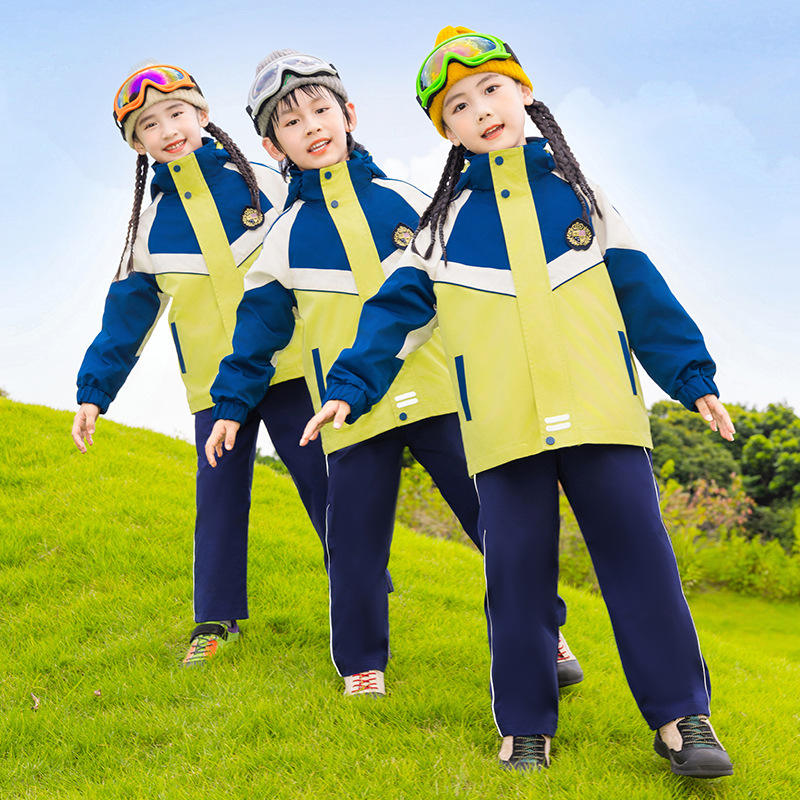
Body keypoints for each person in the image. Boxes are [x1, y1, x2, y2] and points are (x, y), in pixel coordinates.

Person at [301, 27, 735, 778]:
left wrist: (692, 379)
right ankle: (526, 726)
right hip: (502, 434)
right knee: (516, 580)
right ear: (448, 131)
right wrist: (348, 389)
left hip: (603, 416)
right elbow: (391, 319)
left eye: (492, 91)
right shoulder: (435, 230)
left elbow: (645, 298)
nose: (481, 110)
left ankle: (681, 721)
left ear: (524, 93)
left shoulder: (584, 198)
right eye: (459, 106)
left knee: (642, 565)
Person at [206, 50, 582, 697]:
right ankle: (361, 667)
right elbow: (257, 334)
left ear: (348, 113)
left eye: (322, 110)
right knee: (352, 547)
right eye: (294, 123)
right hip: (348, 415)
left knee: (497, 520)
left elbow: (476, 286)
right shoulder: (284, 237)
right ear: (273, 145)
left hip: (440, 394)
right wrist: (232, 405)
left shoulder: (412, 201)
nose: (314, 126)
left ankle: (544, 633)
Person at [71, 64, 329, 667]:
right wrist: (93, 392)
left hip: (289, 369)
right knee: (218, 500)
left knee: (327, 487)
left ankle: (365, 591)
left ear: (203, 115)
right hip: (215, 390)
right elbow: (127, 316)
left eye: (176, 115)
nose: (166, 130)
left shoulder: (265, 182)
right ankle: (214, 621)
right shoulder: (150, 226)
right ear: (138, 145)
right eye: (148, 125)